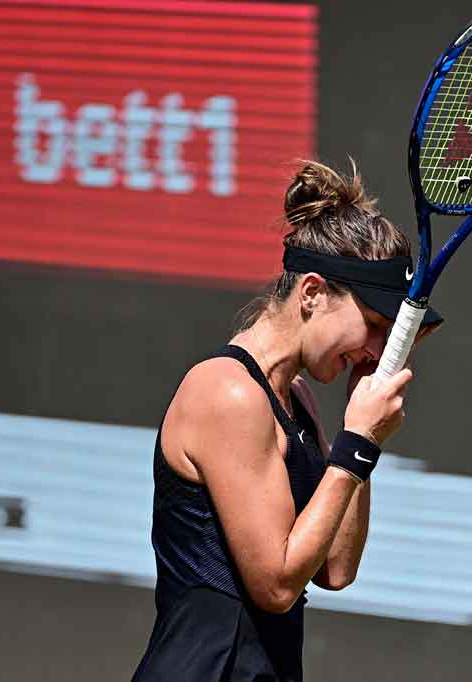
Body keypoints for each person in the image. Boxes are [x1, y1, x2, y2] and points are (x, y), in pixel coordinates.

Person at [132, 160, 442, 682]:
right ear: (313, 293)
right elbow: (276, 585)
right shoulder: (228, 392)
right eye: (371, 325)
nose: (374, 349)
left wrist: (354, 437)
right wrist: (357, 443)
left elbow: (335, 570)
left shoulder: (296, 399)